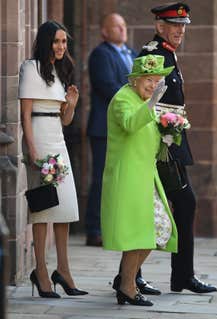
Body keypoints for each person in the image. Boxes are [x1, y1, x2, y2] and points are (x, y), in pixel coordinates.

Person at [135, 2, 217, 293]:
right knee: (174, 203)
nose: (180, 30)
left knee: (176, 204)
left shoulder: (166, 53)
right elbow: (142, 98)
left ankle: (170, 276)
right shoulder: (153, 54)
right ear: (160, 27)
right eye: (174, 25)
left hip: (172, 140)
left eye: (183, 26)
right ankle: (141, 277)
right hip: (159, 143)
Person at [101, 54, 178, 306]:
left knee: (159, 230)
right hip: (128, 178)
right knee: (141, 233)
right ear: (134, 80)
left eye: (157, 81)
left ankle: (126, 280)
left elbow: (149, 134)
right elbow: (130, 124)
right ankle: (127, 285)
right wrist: (151, 106)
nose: (153, 85)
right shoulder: (124, 98)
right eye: (148, 79)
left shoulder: (146, 99)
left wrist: (169, 134)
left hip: (146, 176)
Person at [18, 21, 88, 298]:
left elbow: (65, 120)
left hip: (58, 141)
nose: (61, 47)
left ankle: (64, 270)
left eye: (64, 42)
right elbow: (25, 116)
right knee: (44, 208)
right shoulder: (31, 68)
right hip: (39, 141)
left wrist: (70, 104)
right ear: (46, 41)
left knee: (66, 209)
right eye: (57, 41)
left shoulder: (61, 71)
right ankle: (41, 272)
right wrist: (32, 149)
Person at [86, 13, 137, 247]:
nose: (121, 29)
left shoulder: (134, 55)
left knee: (123, 180)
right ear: (104, 31)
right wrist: (137, 100)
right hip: (104, 128)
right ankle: (94, 229)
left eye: (123, 25)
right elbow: (108, 86)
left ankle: (117, 227)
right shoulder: (100, 54)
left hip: (127, 127)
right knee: (101, 179)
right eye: (116, 26)